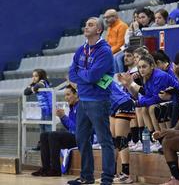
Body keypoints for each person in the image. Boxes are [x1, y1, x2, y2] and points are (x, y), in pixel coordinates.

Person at [68, 17, 115, 185]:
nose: (86, 27)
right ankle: (86, 177)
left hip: (98, 100)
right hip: (83, 100)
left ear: (99, 30)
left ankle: (107, 178)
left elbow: (94, 76)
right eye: (86, 24)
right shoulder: (81, 49)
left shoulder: (105, 51)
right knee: (81, 139)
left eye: (91, 24)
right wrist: (84, 74)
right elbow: (71, 73)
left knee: (104, 140)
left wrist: (83, 74)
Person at [31, 84, 78, 177]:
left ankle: (56, 170)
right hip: (74, 136)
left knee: (53, 135)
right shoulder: (72, 107)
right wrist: (62, 117)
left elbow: (76, 128)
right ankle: (46, 168)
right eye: (65, 95)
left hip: (82, 138)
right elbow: (70, 127)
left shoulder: (81, 107)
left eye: (68, 95)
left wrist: (64, 117)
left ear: (76, 94)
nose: (66, 97)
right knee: (44, 135)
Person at [109, 81, 135, 184]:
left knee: (121, 138)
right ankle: (112, 173)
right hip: (113, 106)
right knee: (113, 140)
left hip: (123, 103)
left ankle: (126, 174)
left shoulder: (95, 76)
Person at [24, 69, 52, 150]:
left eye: (36, 76)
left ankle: (49, 145)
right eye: (33, 76)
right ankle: (43, 144)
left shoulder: (43, 82)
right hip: (43, 110)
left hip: (49, 109)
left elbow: (37, 87)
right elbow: (25, 92)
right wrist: (31, 84)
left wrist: (32, 88)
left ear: (41, 76)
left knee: (48, 128)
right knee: (42, 127)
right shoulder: (36, 83)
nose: (34, 78)